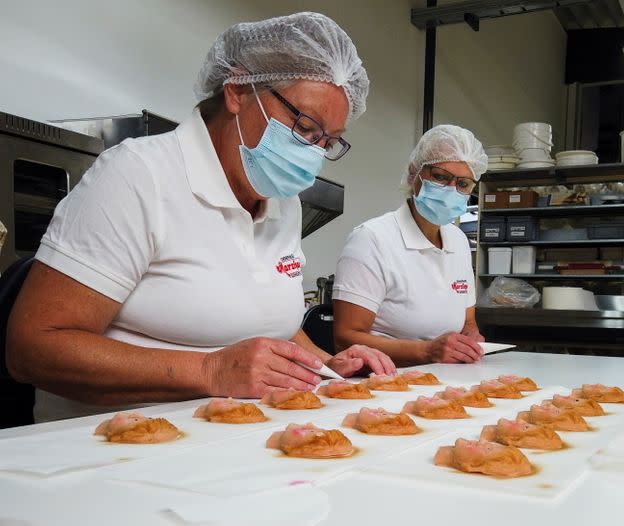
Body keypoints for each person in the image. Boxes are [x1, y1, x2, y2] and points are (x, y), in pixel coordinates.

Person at [6, 12, 395, 423]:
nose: (313, 154)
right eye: (304, 127)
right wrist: (209, 371)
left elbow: (268, 323)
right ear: (238, 92)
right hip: (112, 452)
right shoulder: (139, 176)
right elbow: (33, 348)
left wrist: (329, 365)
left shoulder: (284, 203)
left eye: (328, 141)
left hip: (235, 448)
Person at [332, 125, 487, 366]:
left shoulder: (458, 242)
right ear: (414, 174)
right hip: (385, 383)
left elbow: (467, 322)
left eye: (463, 184)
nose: (451, 190)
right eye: (440, 177)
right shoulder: (372, 239)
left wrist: (469, 339)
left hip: (447, 379)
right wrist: (427, 351)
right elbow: (345, 339)